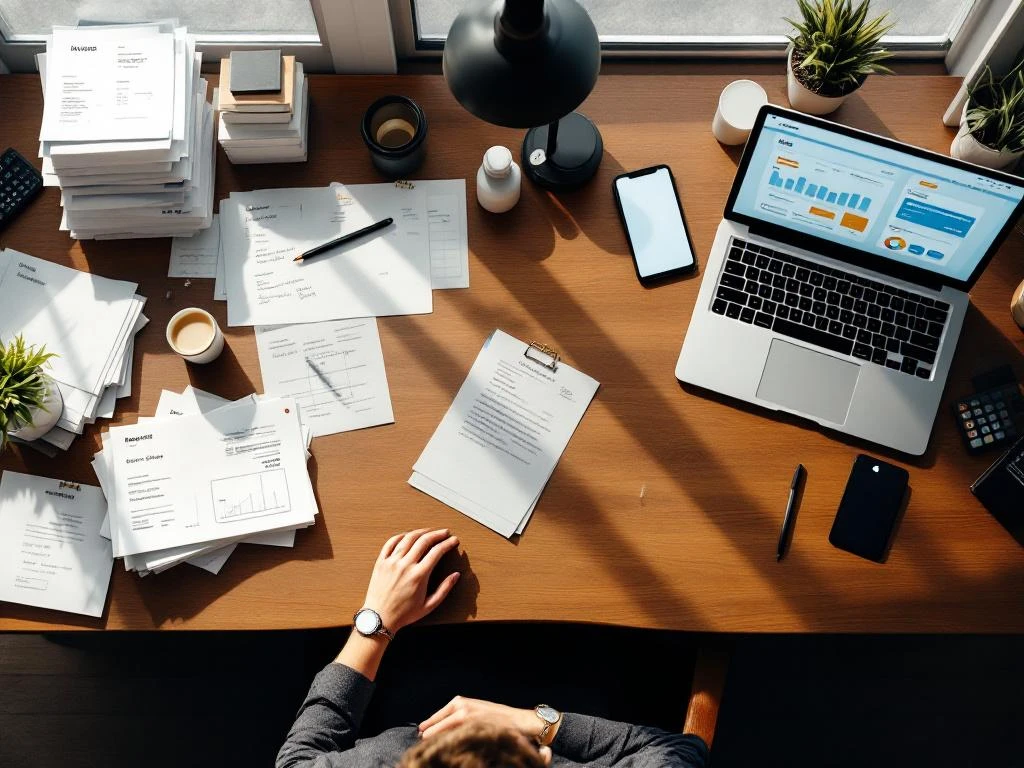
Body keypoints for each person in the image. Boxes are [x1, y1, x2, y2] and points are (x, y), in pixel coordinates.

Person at [277, 528, 709, 768]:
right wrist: (530, 723)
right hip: (587, 677)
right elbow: (683, 753)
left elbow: (297, 761)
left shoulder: (384, 760)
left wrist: (376, 624)